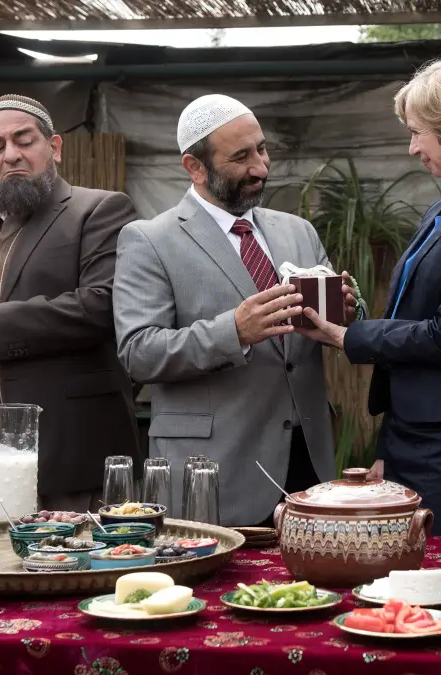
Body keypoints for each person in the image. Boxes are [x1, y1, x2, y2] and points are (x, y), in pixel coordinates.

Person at [294, 55, 441, 537]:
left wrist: (349, 336)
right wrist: (388, 443)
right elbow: (409, 317)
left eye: (418, 132)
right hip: (411, 431)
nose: (411, 148)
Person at [113, 94, 360, 528]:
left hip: (308, 464)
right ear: (195, 167)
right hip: (213, 471)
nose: (260, 167)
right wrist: (235, 331)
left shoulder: (298, 231)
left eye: (262, 149)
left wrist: (342, 314)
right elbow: (139, 351)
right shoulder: (149, 240)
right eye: (241, 157)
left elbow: (325, 331)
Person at [0, 94, 141, 514]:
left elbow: (103, 305)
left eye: (24, 140)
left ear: (54, 147)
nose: (11, 155)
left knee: (73, 574)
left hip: (66, 459)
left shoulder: (99, 210)